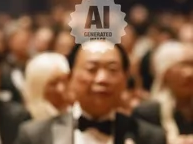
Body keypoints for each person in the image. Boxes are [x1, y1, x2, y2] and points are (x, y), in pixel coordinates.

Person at [14, 40, 166, 144]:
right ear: (70, 78)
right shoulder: (36, 135)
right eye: (91, 69)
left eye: (112, 70)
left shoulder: (150, 138)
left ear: (125, 80)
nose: (102, 79)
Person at [132, 40, 193, 140]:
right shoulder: (148, 113)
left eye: (191, 65)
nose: (189, 73)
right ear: (164, 75)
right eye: (182, 66)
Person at [21, 53, 70, 121]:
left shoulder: (77, 113)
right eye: (53, 84)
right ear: (38, 87)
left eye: (65, 81)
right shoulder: (25, 120)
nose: (61, 89)